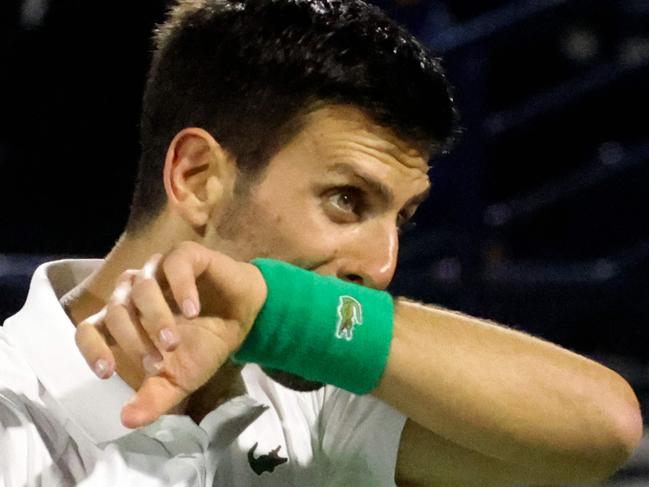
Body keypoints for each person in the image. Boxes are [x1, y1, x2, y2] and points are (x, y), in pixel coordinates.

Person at [0, 0, 643, 485]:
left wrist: (280, 312)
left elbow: (603, 428)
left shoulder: (316, 393)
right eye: (347, 200)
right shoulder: (12, 409)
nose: (384, 265)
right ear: (197, 178)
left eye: (403, 218)